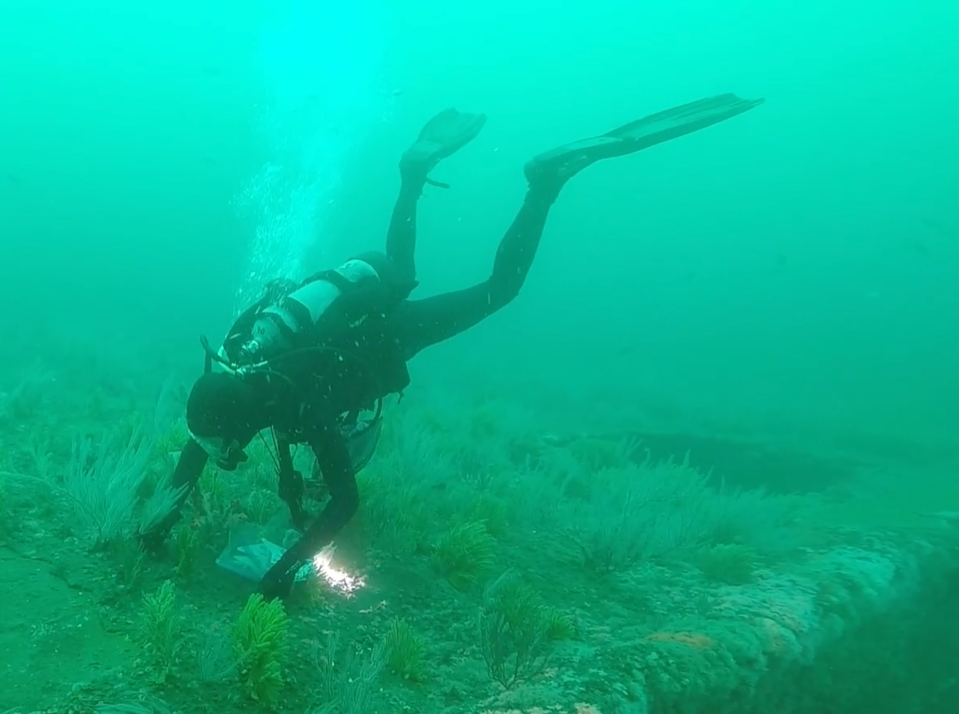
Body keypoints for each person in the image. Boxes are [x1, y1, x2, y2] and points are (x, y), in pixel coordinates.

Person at [141, 93, 764, 599]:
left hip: (384, 337)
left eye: (227, 446)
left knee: (500, 290)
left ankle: (543, 185)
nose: (224, 453)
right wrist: (163, 520)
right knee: (397, 267)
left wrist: (281, 575)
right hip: (363, 304)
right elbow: (203, 442)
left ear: (238, 418)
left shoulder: (301, 400)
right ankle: (412, 177)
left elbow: (345, 500)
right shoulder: (241, 358)